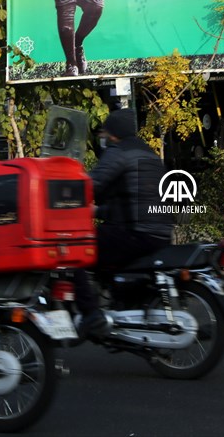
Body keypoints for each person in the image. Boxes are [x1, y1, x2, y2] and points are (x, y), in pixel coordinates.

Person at [74, 108, 174, 335]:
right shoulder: (149, 154)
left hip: (136, 232)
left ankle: (90, 315)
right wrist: (98, 210)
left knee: (76, 251)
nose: (103, 137)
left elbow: (92, 184)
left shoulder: (118, 153)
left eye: (105, 132)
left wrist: (65, 193)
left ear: (113, 133)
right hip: (160, 232)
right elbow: (130, 202)